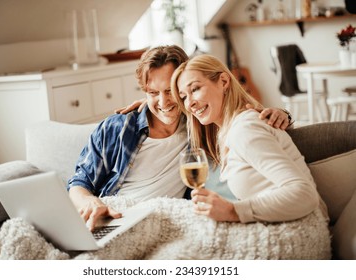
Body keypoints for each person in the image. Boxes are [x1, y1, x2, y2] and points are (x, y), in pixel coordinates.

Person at [67, 45, 292, 230]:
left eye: (169, 92)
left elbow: (238, 113)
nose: (163, 103)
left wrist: (281, 114)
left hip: (163, 222)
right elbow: (79, 182)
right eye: (153, 93)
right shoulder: (117, 128)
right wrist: (90, 201)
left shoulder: (200, 122)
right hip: (114, 215)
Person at [171, 54, 328, 223]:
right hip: (279, 225)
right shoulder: (224, 131)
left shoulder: (244, 129)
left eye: (195, 89)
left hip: (302, 229)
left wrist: (233, 211)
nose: (189, 103)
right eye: (183, 97)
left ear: (224, 81)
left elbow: (305, 195)